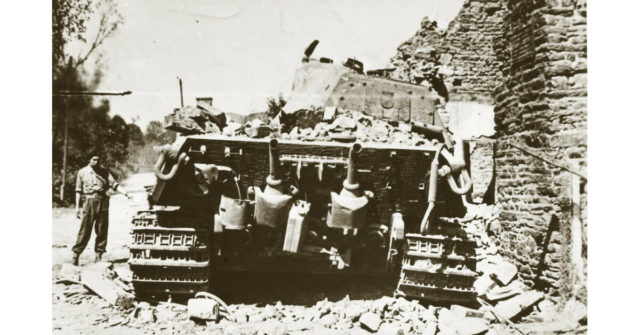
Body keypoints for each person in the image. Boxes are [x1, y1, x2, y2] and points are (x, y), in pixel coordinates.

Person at [71, 155, 129, 265]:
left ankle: (98, 256)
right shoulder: (82, 172)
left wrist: (125, 193)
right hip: (89, 201)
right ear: (89, 159)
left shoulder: (104, 172)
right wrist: (77, 207)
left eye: (98, 160)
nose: (96, 162)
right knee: (85, 230)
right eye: (94, 159)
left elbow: (115, 185)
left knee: (102, 230)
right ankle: (76, 255)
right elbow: (78, 190)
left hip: (103, 202)